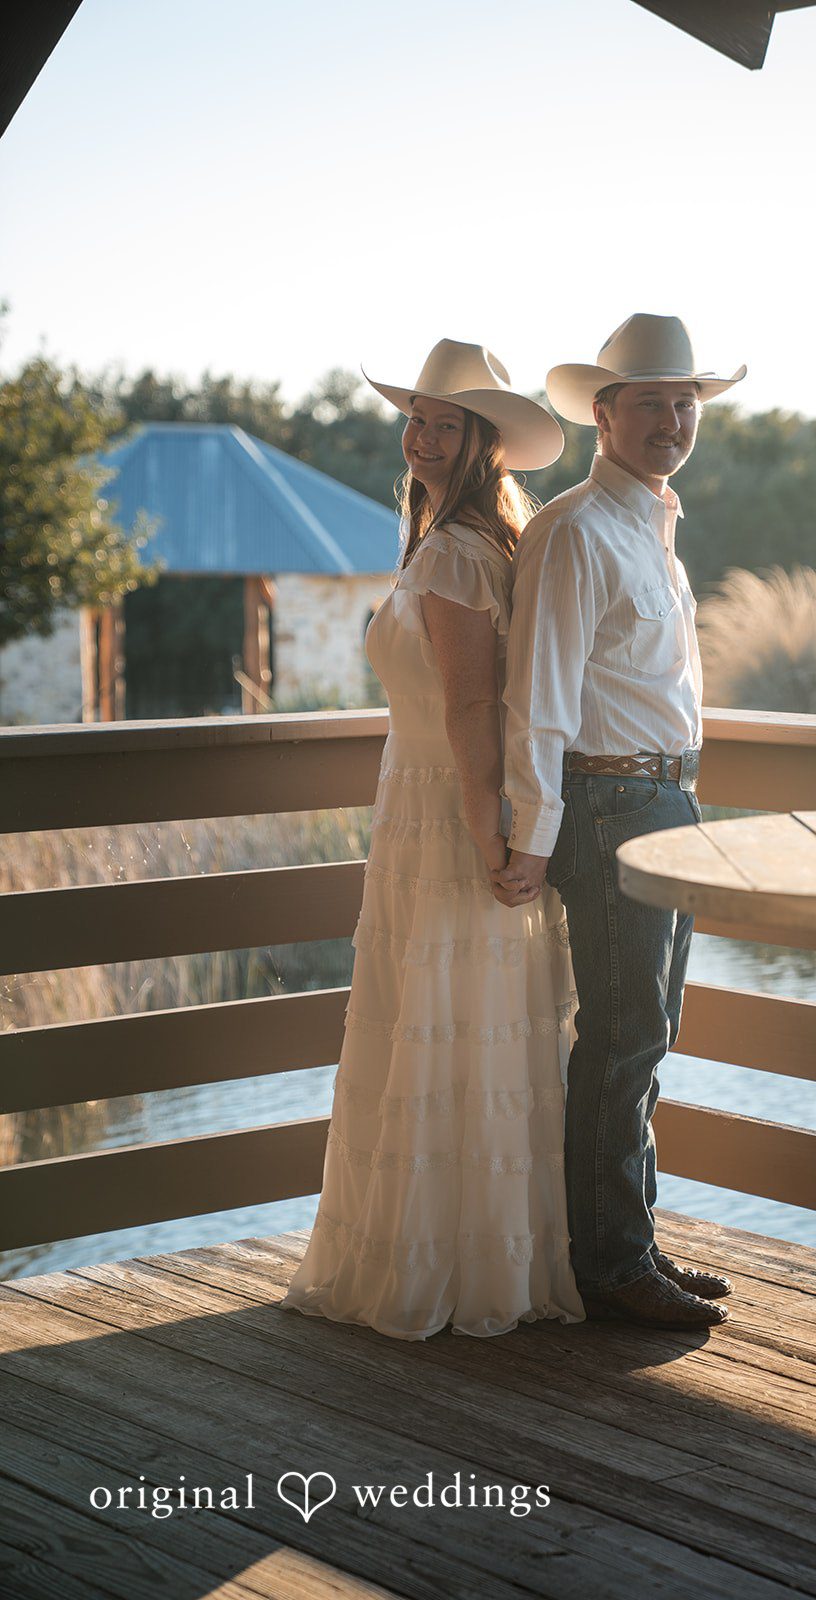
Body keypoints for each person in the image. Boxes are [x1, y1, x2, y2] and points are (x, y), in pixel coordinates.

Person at [281, 338, 584, 1339]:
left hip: (449, 806)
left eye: (441, 422)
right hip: (423, 800)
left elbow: (469, 706)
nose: (419, 435)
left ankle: (449, 1270)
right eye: (413, 416)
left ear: (482, 440)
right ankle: (459, 1256)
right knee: (439, 1019)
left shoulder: (458, 550)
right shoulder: (453, 537)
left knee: (449, 1016)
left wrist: (483, 830)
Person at [494, 313, 747, 1330]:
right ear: (602, 412)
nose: (672, 419)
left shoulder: (652, 525)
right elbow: (539, 697)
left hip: (666, 800)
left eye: (684, 402)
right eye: (650, 402)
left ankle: (627, 1237)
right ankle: (607, 1265)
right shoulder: (572, 531)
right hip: (604, 806)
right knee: (620, 1034)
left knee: (649, 1031)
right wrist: (535, 834)